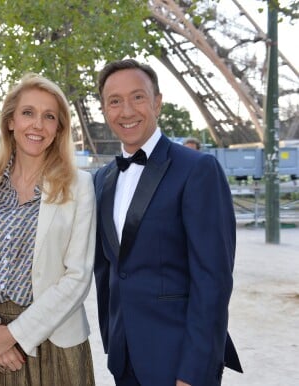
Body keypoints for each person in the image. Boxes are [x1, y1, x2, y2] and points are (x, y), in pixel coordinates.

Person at [93, 59, 242, 386]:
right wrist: (113, 340)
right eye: (114, 101)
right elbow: (106, 270)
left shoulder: (197, 169)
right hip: (124, 359)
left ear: (157, 102)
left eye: (138, 97)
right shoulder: (102, 179)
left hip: (179, 362)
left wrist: (194, 370)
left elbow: (213, 281)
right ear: (104, 109)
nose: (126, 110)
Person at [0, 73, 96, 386]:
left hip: (54, 341)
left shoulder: (79, 186)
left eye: (49, 117)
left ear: (59, 128)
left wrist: (15, 335)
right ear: (10, 121)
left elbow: (78, 275)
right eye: (28, 113)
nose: (37, 125)